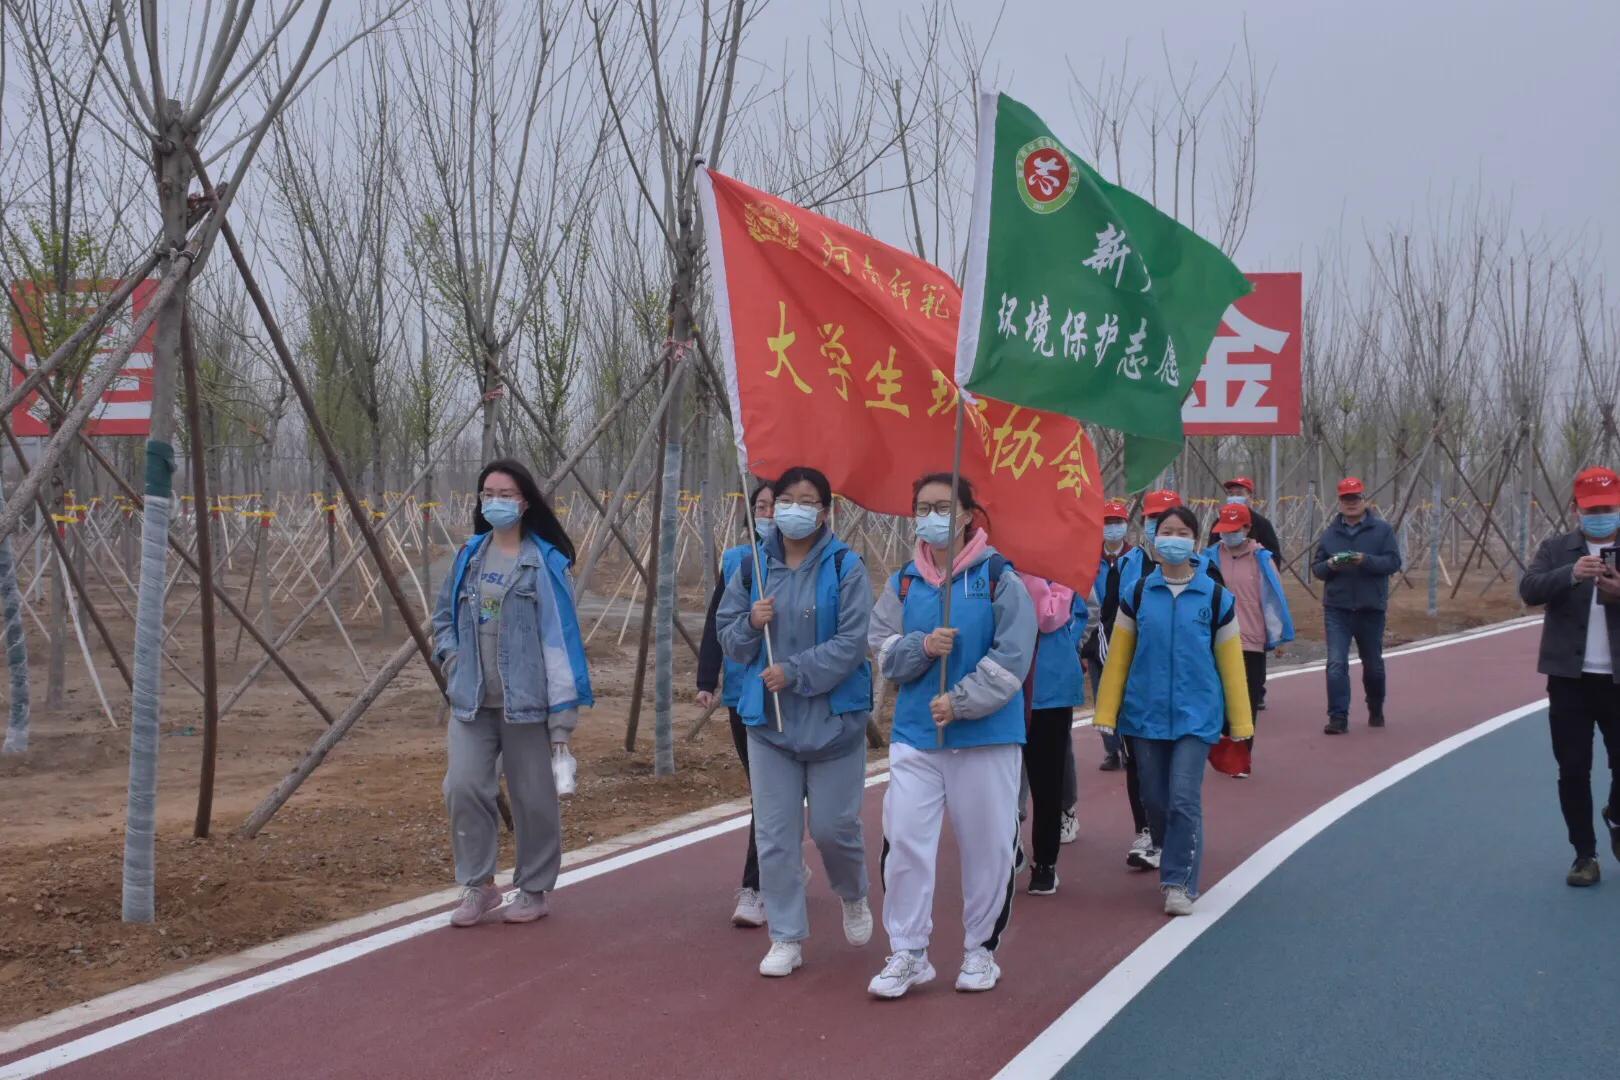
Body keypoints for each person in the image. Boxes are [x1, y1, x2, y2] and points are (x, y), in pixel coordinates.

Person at [866, 472, 1035, 999]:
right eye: (923, 507)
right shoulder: (905, 581)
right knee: (905, 840)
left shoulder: (999, 577)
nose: (931, 517)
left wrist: (960, 701)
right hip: (916, 736)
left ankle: (980, 949)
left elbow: (1014, 655)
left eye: (942, 507)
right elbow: (883, 648)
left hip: (985, 737)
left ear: (966, 515)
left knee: (988, 847)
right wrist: (921, 647)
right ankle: (908, 951)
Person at [717, 466, 875, 978]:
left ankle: (853, 892)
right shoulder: (751, 567)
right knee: (775, 836)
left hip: (833, 723)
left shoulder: (846, 567)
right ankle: (786, 935)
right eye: (786, 500)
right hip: (770, 724)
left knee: (833, 828)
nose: (793, 511)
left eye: (807, 502)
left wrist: (796, 671)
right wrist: (750, 622)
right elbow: (729, 638)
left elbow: (852, 643)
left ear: (825, 511)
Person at [434, 459, 593, 928]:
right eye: (488, 494)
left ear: (524, 502)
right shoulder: (469, 556)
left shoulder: (544, 563)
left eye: (505, 494)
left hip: (527, 703)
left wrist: (561, 721)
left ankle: (534, 888)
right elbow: (444, 618)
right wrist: (452, 659)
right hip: (471, 700)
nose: (495, 502)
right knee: (463, 787)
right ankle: (478, 885)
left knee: (533, 798)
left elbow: (559, 641)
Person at [1093, 505, 1252, 916]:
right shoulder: (1137, 594)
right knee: (1154, 799)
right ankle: (1170, 846)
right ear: (1153, 538)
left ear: (1195, 542)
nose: (1174, 539)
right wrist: (1106, 712)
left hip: (1197, 715)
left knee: (1183, 799)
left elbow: (1231, 664)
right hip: (1143, 714)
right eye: (1167, 531)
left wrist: (1241, 721)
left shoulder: (1216, 598)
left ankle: (1179, 881)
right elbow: (1119, 658)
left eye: (1183, 533)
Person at [1519, 466, 1620, 887]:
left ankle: (1616, 815)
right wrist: (1571, 575)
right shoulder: (1557, 548)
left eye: (1608, 507)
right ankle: (1584, 855)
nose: (1600, 515)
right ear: (1576, 508)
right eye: (1592, 509)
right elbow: (1528, 590)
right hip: (1569, 680)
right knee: (1574, 769)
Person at [696, 481, 775, 928]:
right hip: (744, 694)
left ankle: (758, 883)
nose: (768, 514)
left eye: (776, 506)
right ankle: (765, 875)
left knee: (771, 792)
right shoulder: (738, 562)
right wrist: (707, 679)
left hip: (790, 692)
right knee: (762, 789)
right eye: (760, 506)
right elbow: (716, 622)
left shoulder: (816, 565)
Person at [1112, 488, 1183, 871]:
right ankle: (1147, 831)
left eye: (1170, 520)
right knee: (1140, 763)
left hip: (1185, 690)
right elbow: (1111, 623)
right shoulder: (1129, 566)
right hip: (1139, 688)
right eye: (1155, 520)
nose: (1162, 528)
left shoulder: (1205, 571)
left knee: (1180, 768)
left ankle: (1180, 834)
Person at [1205, 501, 1295, 776]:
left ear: (1247, 528)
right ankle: (1222, 751)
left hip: (1250, 641)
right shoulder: (1208, 558)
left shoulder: (1262, 559)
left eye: (1235, 530)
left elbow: (1273, 599)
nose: (1229, 535)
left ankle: (1242, 760)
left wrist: (1278, 636)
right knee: (1218, 700)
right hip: (1216, 640)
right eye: (1225, 530)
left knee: (1246, 702)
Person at [1312, 477, 1402, 735]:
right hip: (1337, 608)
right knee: (1336, 663)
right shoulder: (1330, 533)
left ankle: (1375, 707)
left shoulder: (1382, 530)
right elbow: (1317, 569)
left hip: (1370, 608)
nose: (1350, 503)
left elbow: (1393, 563)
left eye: (1355, 498)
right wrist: (1330, 565)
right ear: (1339, 502)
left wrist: (1365, 560)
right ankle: (1338, 717)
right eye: (1346, 499)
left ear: (1364, 500)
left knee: (1372, 664)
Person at [1021, 574, 1086, 895]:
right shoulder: (998, 567)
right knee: (997, 782)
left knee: (1046, 783)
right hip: (1005, 689)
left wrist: (1029, 577)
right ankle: (1007, 849)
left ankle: (1045, 863)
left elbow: (1049, 618)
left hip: (1051, 689)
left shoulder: (1063, 573)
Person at [1084, 499, 1133, 772]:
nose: (1112, 527)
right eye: (1107, 522)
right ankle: (1112, 749)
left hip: (1125, 631)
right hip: (1095, 633)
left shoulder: (1134, 558)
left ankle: (1130, 744)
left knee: (1126, 692)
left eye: (1117, 522)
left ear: (1126, 525)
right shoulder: (1090, 558)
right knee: (1102, 691)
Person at [1207, 476, 1282, 559]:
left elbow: (1274, 557)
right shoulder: (1219, 523)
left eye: (1239, 494)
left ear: (1250, 496)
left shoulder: (1262, 524)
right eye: (1231, 494)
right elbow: (1210, 553)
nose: (1234, 498)